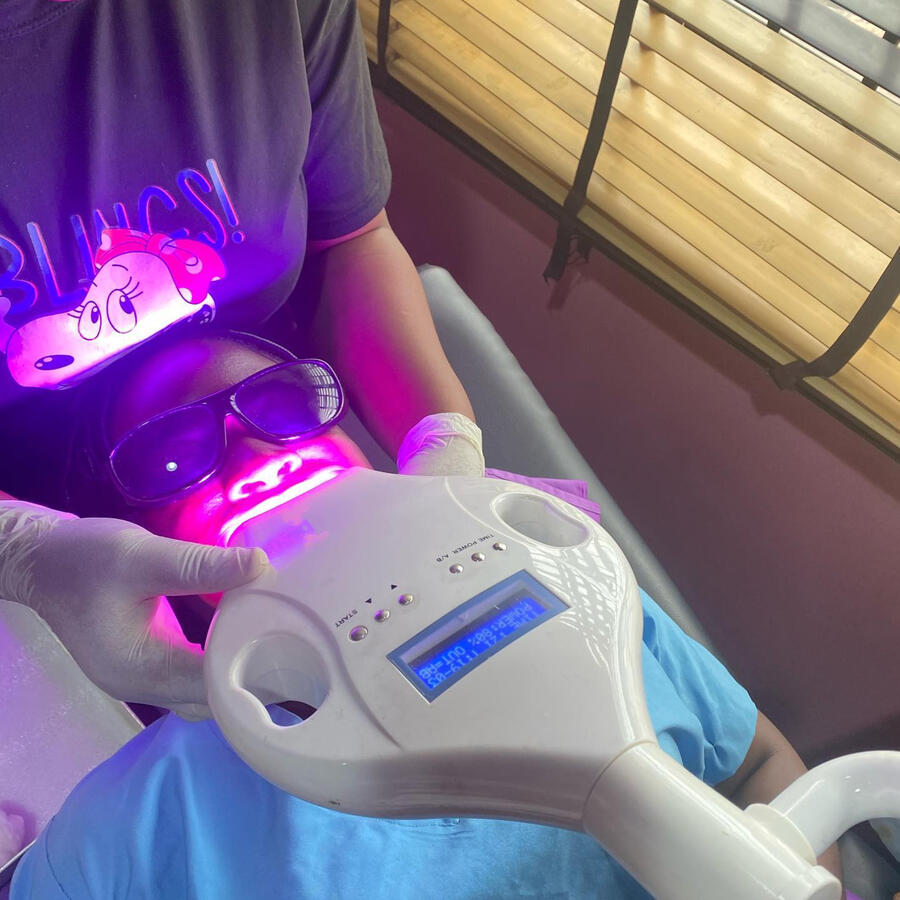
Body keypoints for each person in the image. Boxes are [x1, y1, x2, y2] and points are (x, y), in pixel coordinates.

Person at [9, 328, 845, 899]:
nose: (255, 455)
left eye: (282, 403)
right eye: (170, 455)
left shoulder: (588, 598)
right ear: (149, 562)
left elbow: (762, 762)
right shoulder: (150, 817)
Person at [0, 0, 481, 714]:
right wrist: (22, 550)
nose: (259, 469)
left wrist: (444, 438)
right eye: (182, 458)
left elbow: (352, 235)